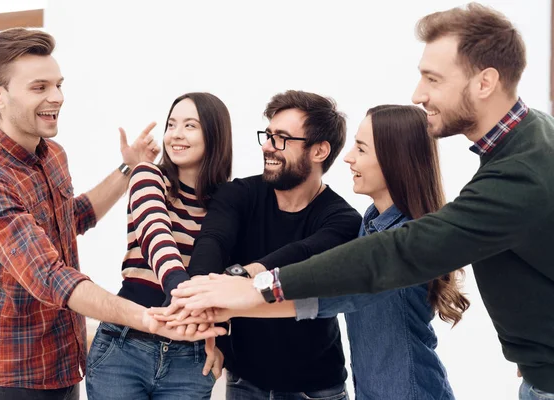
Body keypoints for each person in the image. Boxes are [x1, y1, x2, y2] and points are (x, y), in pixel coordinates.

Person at [169, 4, 554, 399]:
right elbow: (328, 294)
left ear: (485, 82)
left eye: (433, 79)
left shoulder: (519, 172)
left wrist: (254, 288)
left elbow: (384, 260)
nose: (418, 94)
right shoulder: (526, 141)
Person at [0, 28, 221, 400]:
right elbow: (49, 275)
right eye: (39, 87)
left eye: (58, 85)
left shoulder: (52, 155)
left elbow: (73, 217)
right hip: (13, 374)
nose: (57, 97)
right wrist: (148, 318)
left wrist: (129, 169)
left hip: (64, 361)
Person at [168, 105, 470, 399]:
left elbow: (323, 295)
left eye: (362, 149)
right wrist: (214, 305)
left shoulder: (404, 241)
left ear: (396, 160)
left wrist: (230, 299)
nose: (349, 158)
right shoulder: (370, 224)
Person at [179, 90, 362, 399]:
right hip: (245, 383)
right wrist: (202, 306)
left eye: (281, 138)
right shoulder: (237, 195)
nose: (267, 146)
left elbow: (301, 254)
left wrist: (241, 277)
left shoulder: (343, 220)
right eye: (268, 135)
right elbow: (212, 243)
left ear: (319, 151)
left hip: (316, 389)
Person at [86, 92, 232, 400]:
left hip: (189, 358)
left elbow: (228, 278)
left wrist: (221, 342)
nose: (176, 134)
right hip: (124, 347)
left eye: (190, 125)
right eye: (172, 124)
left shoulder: (228, 201)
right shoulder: (148, 175)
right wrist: (179, 288)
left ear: (215, 134)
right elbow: (155, 233)